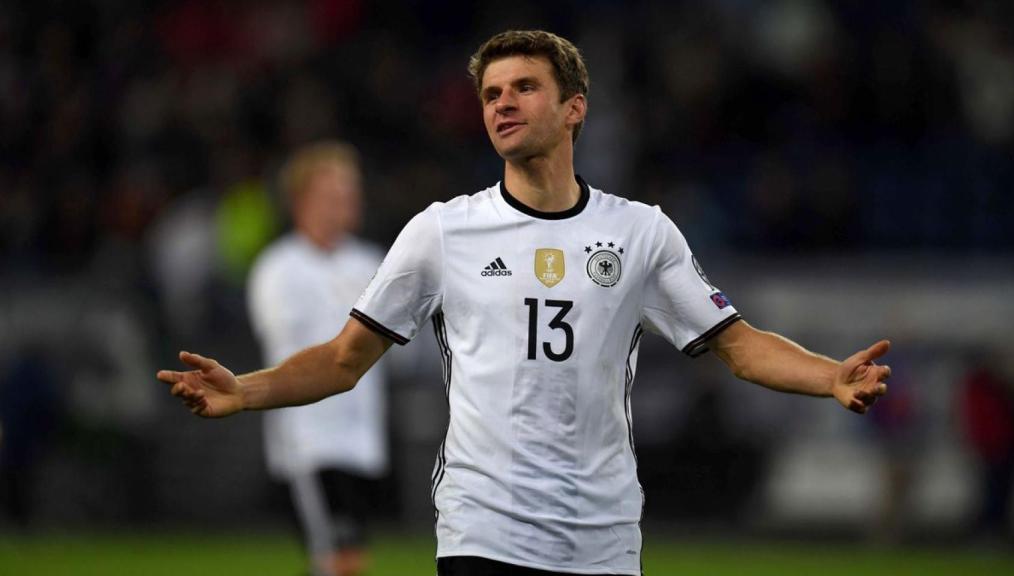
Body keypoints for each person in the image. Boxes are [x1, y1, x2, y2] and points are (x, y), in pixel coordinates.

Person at [159, 30, 891, 576]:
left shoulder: (641, 232)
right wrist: (246, 390)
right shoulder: (443, 231)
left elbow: (739, 344)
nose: (502, 102)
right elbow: (344, 359)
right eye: (490, 94)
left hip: (604, 536)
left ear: (574, 109)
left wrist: (828, 376)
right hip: (485, 529)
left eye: (523, 88)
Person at [246, 141, 388, 576]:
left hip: (362, 438)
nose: (347, 202)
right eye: (335, 193)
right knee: (336, 561)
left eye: (351, 191)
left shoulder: (372, 262)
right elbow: (288, 348)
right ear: (301, 200)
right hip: (309, 439)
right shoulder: (278, 269)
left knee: (348, 559)